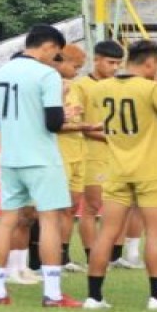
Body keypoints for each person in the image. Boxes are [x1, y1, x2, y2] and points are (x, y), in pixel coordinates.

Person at [84, 39, 157, 310]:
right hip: (152, 171)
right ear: (149, 63)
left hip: (117, 169)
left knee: (106, 234)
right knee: (155, 235)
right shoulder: (152, 89)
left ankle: (94, 297)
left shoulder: (101, 88)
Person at [0, 25, 83, 307]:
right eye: (56, 53)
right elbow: (53, 123)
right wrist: (64, 113)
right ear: (48, 46)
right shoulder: (46, 75)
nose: (55, 58)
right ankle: (52, 293)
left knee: (6, 221)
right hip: (41, 158)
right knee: (50, 220)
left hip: (10, 158)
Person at [69, 41, 122, 268]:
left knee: (119, 206)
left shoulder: (120, 86)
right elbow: (79, 124)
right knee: (92, 206)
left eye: (118, 63)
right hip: (92, 154)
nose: (115, 67)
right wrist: (111, 137)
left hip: (119, 155)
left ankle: (114, 256)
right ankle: (92, 255)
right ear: (97, 60)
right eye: (111, 62)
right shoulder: (81, 86)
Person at [53, 45, 88, 272]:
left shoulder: (75, 87)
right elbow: (51, 123)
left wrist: (82, 124)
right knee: (54, 209)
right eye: (75, 67)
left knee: (71, 207)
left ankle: (64, 257)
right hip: (59, 153)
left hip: (79, 151)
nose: (77, 72)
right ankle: (47, 258)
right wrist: (83, 125)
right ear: (61, 61)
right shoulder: (50, 85)